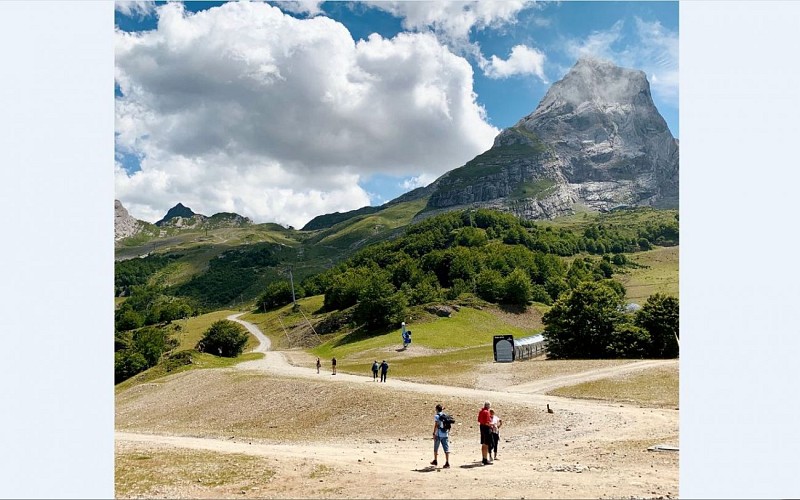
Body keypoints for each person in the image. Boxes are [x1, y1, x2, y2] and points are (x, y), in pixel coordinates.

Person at [431, 404, 451, 469]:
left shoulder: (437, 416)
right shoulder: (445, 415)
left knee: (436, 448)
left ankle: (435, 460)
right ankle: (447, 462)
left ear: (436, 409)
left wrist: (434, 433)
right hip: (445, 434)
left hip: (438, 434)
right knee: (446, 449)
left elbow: (436, 425)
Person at [477, 401, 493, 465]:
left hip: (481, 427)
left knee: (483, 443)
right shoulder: (486, 412)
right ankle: (485, 459)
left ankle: (484, 458)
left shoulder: (481, 411)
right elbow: (487, 422)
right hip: (486, 428)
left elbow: (479, 420)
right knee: (486, 444)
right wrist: (492, 425)